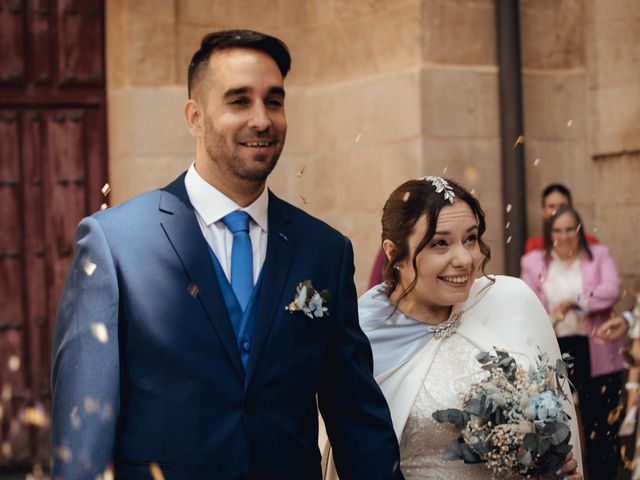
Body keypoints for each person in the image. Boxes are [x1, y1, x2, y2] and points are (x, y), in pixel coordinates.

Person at [51, 30, 402, 479]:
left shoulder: (325, 250)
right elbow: (85, 432)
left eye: (273, 101)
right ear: (194, 117)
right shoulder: (115, 242)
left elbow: (357, 420)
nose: (262, 119)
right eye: (239, 101)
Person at [324, 177, 582, 479]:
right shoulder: (361, 335)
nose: (464, 259)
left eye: (470, 238)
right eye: (440, 243)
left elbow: (556, 431)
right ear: (394, 253)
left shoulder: (510, 303)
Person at [521, 205, 624, 479]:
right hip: (555, 348)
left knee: (599, 424)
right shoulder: (534, 262)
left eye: (570, 229)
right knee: (559, 420)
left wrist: (577, 302)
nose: (564, 236)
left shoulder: (598, 256)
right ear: (548, 232)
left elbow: (611, 289)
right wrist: (551, 314)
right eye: (557, 230)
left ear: (579, 230)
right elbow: (528, 301)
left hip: (595, 349)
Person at [525, 183, 598, 253]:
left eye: (562, 206)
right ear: (543, 211)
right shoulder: (534, 246)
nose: (557, 211)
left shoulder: (589, 242)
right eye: (551, 206)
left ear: (571, 208)